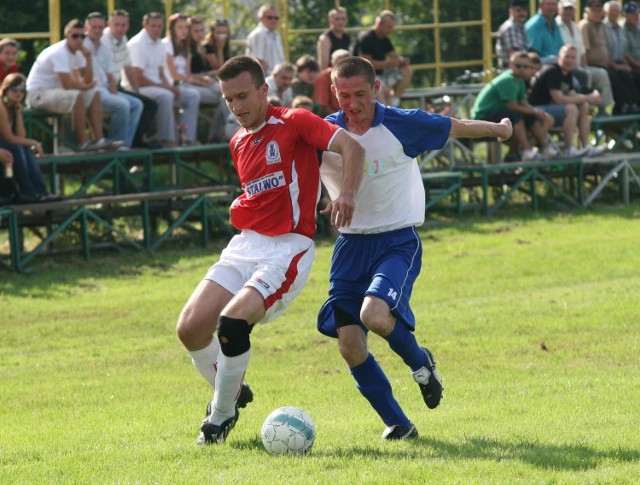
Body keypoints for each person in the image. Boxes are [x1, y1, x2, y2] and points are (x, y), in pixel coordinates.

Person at [317, 56, 512, 440]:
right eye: (343, 95)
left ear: (376, 89)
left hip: (395, 241)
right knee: (349, 345)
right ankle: (399, 424)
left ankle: (420, 364)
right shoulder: (324, 131)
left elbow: (456, 126)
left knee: (374, 314)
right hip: (349, 246)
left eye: (360, 94)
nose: (352, 103)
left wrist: (500, 130)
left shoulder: (402, 123)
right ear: (334, 92)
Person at [175, 55, 366, 445]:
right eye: (229, 100)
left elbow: (351, 147)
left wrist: (344, 195)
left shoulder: (294, 121)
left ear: (264, 90)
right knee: (190, 328)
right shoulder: (238, 141)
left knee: (231, 324)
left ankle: (221, 415)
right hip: (245, 243)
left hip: (286, 247)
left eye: (243, 96)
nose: (237, 107)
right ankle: (233, 389)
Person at [25, 18, 111, 151]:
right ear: (66, 36)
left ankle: (100, 140)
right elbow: (68, 85)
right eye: (75, 36)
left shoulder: (79, 52)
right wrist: (84, 86)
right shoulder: (59, 52)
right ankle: (84, 143)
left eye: (82, 36)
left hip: (54, 92)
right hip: (38, 94)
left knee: (94, 94)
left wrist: (88, 58)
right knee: (76, 95)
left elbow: (87, 80)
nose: (79, 39)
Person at [473, 51, 557, 161]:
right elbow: (513, 107)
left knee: (529, 116)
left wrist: (537, 113)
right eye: (518, 65)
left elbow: (524, 103)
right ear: (511, 65)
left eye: (525, 66)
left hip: (500, 113)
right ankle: (526, 150)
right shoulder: (508, 80)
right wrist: (535, 112)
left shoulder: (519, 80)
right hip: (483, 116)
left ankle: (544, 148)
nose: (522, 69)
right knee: (516, 116)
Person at [124, 12, 187, 146]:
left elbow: (160, 72)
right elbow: (138, 78)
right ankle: (167, 140)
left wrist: (169, 86)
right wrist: (167, 87)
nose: (157, 29)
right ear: (144, 25)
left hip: (154, 87)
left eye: (159, 26)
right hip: (136, 88)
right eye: (153, 26)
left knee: (190, 96)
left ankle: (188, 139)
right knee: (166, 96)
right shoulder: (137, 44)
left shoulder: (158, 42)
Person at [529, 44, 604, 156]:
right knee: (571, 109)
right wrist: (589, 97)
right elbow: (559, 99)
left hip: (552, 110)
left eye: (572, 58)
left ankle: (586, 147)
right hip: (536, 109)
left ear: (576, 60)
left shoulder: (567, 73)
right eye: (566, 57)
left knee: (585, 106)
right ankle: (570, 149)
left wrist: (592, 98)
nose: (569, 60)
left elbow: (572, 95)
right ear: (559, 57)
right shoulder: (552, 71)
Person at [102, 9, 159, 149]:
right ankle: (117, 144)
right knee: (127, 105)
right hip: (103, 88)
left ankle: (130, 142)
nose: (120, 28)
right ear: (109, 24)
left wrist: (138, 92)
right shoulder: (103, 41)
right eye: (116, 24)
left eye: (123, 25)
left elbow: (128, 68)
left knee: (147, 104)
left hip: (114, 86)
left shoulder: (122, 40)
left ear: (128, 25)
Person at [84, 12, 142, 149]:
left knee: (137, 104)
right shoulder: (82, 45)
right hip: (91, 90)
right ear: (87, 27)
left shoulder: (104, 48)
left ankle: (125, 145)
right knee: (122, 105)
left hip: (105, 89)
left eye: (100, 27)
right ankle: (115, 145)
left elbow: (110, 75)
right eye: (94, 27)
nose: (97, 31)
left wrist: (115, 93)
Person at [0, 73, 58, 202]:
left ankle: (41, 191)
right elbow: (9, 138)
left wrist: (18, 114)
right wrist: (35, 143)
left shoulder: (13, 107)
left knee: (25, 150)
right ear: (5, 89)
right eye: (14, 89)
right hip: (4, 146)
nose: (19, 93)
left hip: (8, 146)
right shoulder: (1, 106)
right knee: (19, 149)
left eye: (22, 90)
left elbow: (20, 136)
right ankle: (28, 192)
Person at [580, 0, 640, 113]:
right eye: (594, 11)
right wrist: (615, 66)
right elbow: (586, 50)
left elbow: (614, 51)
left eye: (599, 11)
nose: (597, 13)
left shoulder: (607, 27)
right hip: (600, 64)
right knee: (614, 75)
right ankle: (622, 107)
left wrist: (624, 65)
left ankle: (633, 104)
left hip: (612, 63)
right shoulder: (588, 26)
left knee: (629, 75)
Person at [556, 0, 613, 115]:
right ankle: (588, 110)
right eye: (565, 8)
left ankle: (603, 108)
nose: (568, 11)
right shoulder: (556, 26)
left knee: (602, 74)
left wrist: (584, 65)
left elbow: (582, 50)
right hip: (565, 67)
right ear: (559, 9)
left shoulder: (575, 26)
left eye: (571, 9)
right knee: (586, 74)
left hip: (579, 65)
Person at [353, 10, 411, 107]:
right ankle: (388, 112)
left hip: (381, 75)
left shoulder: (385, 39)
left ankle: (394, 103)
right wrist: (388, 64)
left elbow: (394, 56)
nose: (391, 30)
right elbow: (365, 65)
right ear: (379, 24)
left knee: (407, 70)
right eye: (388, 27)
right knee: (383, 90)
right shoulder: (367, 38)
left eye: (392, 27)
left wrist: (402, 61)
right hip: (366, 76)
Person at [161, 13, 202, 145]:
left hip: (185, 84)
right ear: (172, 29)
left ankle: (187, 136)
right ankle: (187, 138)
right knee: (194, 95)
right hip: (172, 85)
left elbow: (187, 73)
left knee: (216, 89)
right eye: (180, 27)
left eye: (186, 27)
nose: (184, 31)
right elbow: (174, 75)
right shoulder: (166, 45)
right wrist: (196, 80)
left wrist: (202, 78)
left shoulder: (185, 47)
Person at [189, 16, 231, 142]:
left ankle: (214, 136)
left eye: (224, 32)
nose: (221, 35)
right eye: (218, 32)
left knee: (224, 99)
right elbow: (221, 68)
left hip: (207, 80)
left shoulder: (201, 47)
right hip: (198, 82)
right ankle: (234, 127)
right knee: (227, 92)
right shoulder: (206, 47)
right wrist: (219, 48)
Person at [246, 5, 285, 76]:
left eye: (276, 18)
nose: (273, 20)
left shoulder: (275, 34)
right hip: (266, 79)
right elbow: (258, 62)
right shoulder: (258, 34)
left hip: (277, 79)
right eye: (269, 17)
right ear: (260, 18)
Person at [314, 49, 351, 117]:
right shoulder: (323, 78)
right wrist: (342, 118)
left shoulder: (355, 77)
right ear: (333, 63)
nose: (342, 67)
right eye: (339, 64)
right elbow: (322, 107)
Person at [495, 0, 531, 69]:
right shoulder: (510, 27)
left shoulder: (521, 27)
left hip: (521, 67)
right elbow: (514, 56)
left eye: (524, 10)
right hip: (511, 69)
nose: (522, 13)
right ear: (510, 12)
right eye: (518, 10)